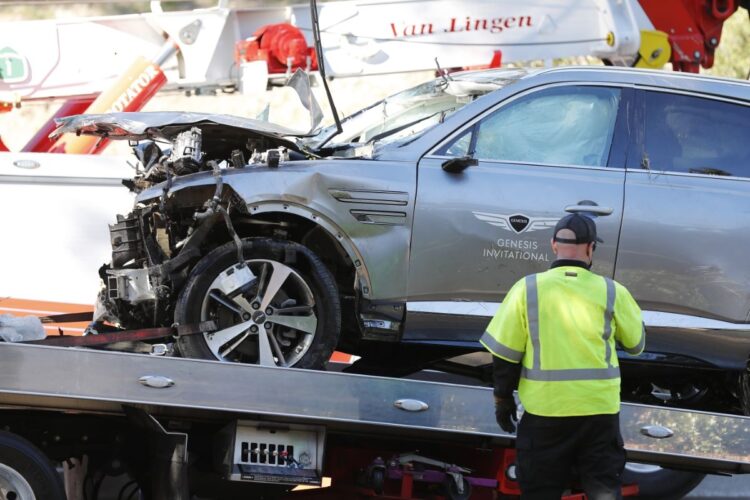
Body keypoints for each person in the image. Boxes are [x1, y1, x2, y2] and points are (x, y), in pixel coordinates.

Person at [481, 213, 644, 500]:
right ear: (591, 248)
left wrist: (502, 399)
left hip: (545, 413)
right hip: (598, 413)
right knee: (603, 492)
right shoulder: (612, 291)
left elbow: (505, 355)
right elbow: (636, 345)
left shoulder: (527, 288)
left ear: (554, 244)